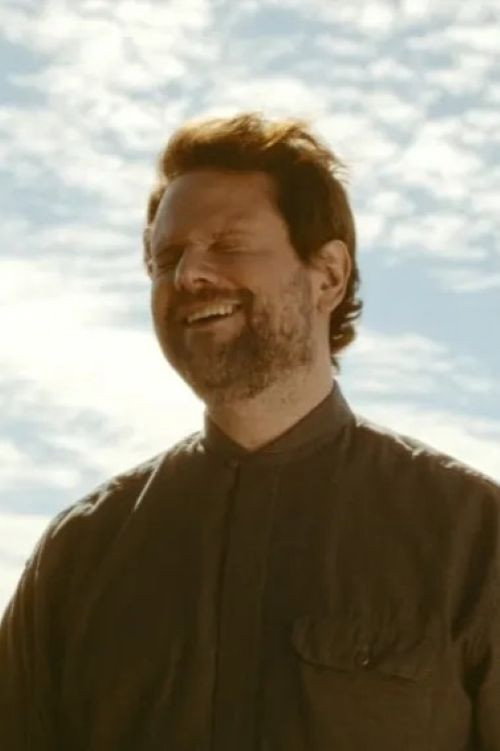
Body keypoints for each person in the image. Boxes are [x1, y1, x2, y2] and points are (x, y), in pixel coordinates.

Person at [1, 112, 499, 751]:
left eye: (228, 244)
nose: (188, 275)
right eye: (166, 258)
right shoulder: (80, 553)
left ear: (328, 275)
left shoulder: (472, 538)